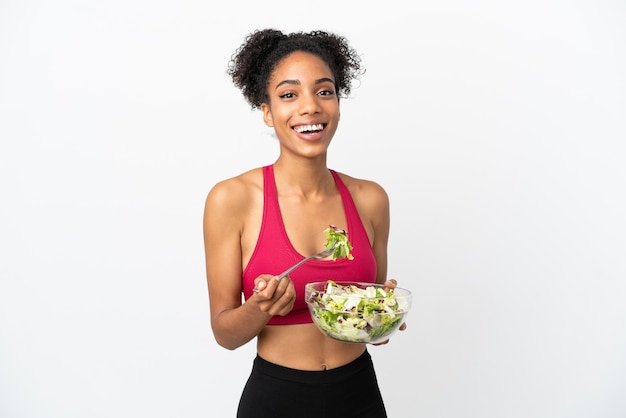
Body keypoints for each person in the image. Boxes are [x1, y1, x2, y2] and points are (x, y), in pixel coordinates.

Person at [203, 28, 405, 418]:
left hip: (359, 395)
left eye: (324, 91)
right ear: (267, 111)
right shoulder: (232, 199)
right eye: (289, 94)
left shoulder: (371, 199)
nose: (310, 107)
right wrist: (259, 308)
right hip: (277, 398)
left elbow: (366, 315)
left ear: (338, 104)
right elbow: (225, 334)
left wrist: (379, 318)